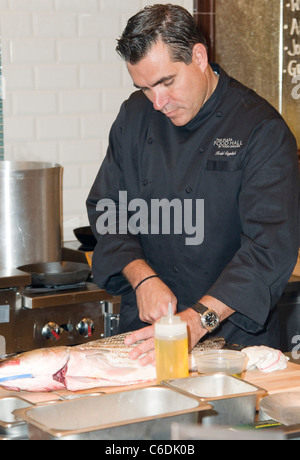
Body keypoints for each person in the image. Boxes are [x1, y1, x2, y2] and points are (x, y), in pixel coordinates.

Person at [87, 4, 299, 365]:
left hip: (231, 346)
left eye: (166, 82)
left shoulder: (261, 129)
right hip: (144, 335)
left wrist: (197, 321)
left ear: (198, 57)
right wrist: (142, 279)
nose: (158, 103)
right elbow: (109, 210)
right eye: (145, 88)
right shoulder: (134, 116)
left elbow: (267, 249)